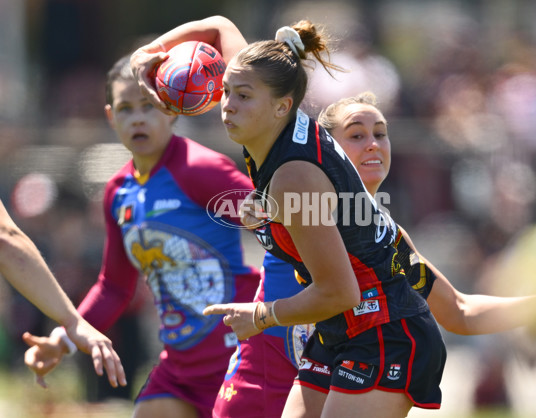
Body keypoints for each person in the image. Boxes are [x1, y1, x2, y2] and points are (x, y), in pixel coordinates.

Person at [133, 16, 446, 418]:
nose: (227, 104)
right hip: (338, 330)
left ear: (282, 106)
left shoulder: (294, 180)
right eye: (226, 91)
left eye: (242, 96)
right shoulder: (269, 104)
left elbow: (341, 291)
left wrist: (262, 315)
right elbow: (218, 26)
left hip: (385, 329)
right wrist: (149, 55)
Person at [214, 91, 536, 417]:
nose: (374, 145)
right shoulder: (294, 193)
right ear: (326, 148)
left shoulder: (387, 238)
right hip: (319, 345)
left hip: (376, 345)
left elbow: (458, 310)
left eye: (381, 134)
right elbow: (257, 87)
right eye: (357, 135)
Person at [23, 50, 260, 418]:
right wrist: (63, 338)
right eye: (125, 109)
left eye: (148, 106)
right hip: (179, 368)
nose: (138, 119)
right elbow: (114, 287)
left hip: (240, 356)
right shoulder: (118, 192)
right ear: (110, 118)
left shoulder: (201, 170)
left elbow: (276, 226)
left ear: (172, 109)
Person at [0, 198, 126, 389]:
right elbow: (4, 239)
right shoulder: (123, 186)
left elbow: (115, 286)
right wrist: (71, 324)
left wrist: (65, 336)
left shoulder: (123, 186)